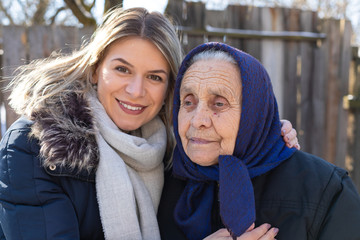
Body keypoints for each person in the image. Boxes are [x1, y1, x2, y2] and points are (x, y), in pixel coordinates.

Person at [0, 7, 298, 240]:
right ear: (94, 70)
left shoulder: (169, 153)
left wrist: (266, 136)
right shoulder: (34, 148)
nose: (136, 90)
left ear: (171, 88)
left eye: (155, 77)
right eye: (122, 69)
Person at [157, 42, 360, 240]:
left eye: (219, 103)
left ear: (253, 114)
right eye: (188, 102)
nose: (197, 120)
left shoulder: (325, 189)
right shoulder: (159, 184)